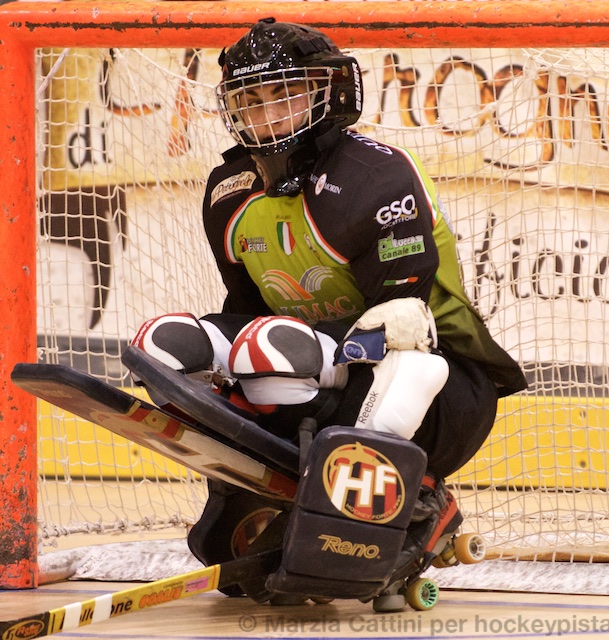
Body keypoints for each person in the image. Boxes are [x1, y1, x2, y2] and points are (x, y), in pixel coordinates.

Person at [130, 17, 527, 602]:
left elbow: (402, 324)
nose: (267, 115)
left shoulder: (376, 177)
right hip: (314, 369)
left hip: (442, 392)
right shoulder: (227, 192)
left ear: (331, 93)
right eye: (250, 101)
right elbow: (245, 308)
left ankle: (393, 506)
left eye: (285, 94)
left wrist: (283, 354)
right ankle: (259, 488)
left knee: (273, 352)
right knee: (165, 348)